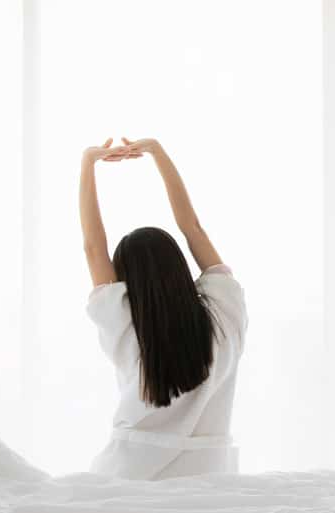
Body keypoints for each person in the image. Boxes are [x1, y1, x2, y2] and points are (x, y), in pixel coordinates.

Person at [79, 137, 248, 480]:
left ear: (127, 281)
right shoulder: (225, 313)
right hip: (210, 472)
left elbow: (93, 247)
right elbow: (194, 230)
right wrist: (157, 152)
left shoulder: (124, 321)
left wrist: (87, 163)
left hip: (129, 470)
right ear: (180, 268)